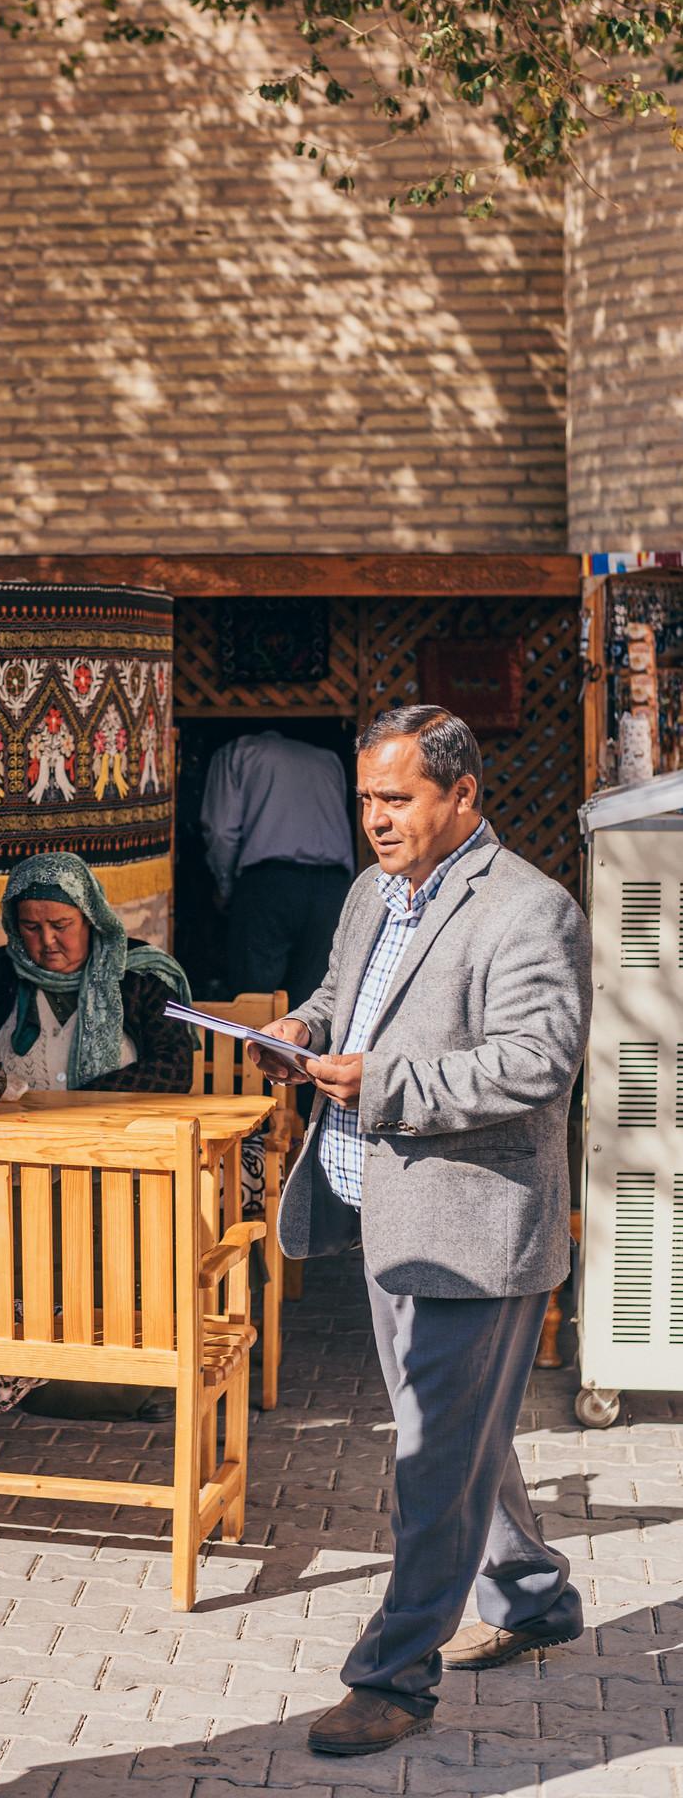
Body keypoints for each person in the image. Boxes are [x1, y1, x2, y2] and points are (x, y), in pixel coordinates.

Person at [252, 705, 590, 1759]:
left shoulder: (530, 909)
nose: (373, 819)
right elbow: (339, 995)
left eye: (395, 797)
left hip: (477, 1225)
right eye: (364, 797)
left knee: (431, 1452)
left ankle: (393, 1674)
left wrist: (381, 1079)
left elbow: (537, 1062)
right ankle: (532, 1594)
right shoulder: (368, 892)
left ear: (460, 795)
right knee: (449, 1428)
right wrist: (301, 1029)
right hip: (383, 1209)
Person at [0, 851, 199, 1507]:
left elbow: (173, 1075)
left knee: (11, 1279)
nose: (47, 941)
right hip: (4, 1176)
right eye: (29, 926)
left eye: (60, 924)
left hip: (111, 1184)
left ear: (91, 916)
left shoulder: (146, 979)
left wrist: (62, 1109)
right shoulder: (1, 972)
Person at [200, 729, 354, 1006]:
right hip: (333, 886)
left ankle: (251, 1050)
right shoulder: (328, 760)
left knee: (254, 1000)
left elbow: (221, 831)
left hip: (269, 883)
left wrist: (225, 886)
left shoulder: (237, 751)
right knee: (315, 1001)